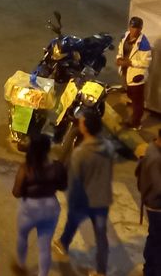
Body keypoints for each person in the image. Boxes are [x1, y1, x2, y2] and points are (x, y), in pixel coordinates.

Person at [53, 111, 113, 276]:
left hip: (84, 199)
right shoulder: (108, 147)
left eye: (82, 122)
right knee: (101, 235)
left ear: (85, 128)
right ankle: (101, 271)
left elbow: (75, 181)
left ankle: (63, 243)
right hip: (102, 198)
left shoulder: (80, 153)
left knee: (73, 220)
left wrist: (72, 200)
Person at [11, 134, 67, 276]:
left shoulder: (26, 168)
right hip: (50, 208)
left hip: (29, 209)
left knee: (22, 236)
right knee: (44, 246)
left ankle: (21, 265)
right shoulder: (57, 167)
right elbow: (63, 186)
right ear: (47, 149)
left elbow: (16, 192)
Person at [116, 16, 152, 130]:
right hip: (126, 72)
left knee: (137, 101)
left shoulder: (144, 44)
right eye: (132, 27)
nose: (134, 30)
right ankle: (134, 119)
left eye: (137, 28)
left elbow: (146, 63)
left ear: (141, 29)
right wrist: (119, 59)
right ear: (129, 27)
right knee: (130, 95)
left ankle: (136, 123)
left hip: (137, 76)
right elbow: (120, 50)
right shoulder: (125, 36)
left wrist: (130, 62)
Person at [136, 129, 161, 276]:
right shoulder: (155, 158)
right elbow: (158, 188)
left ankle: (149, 269)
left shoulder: (151, 147)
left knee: (154, 237)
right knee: (157, 242)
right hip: (156, 206)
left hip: (151, 202)